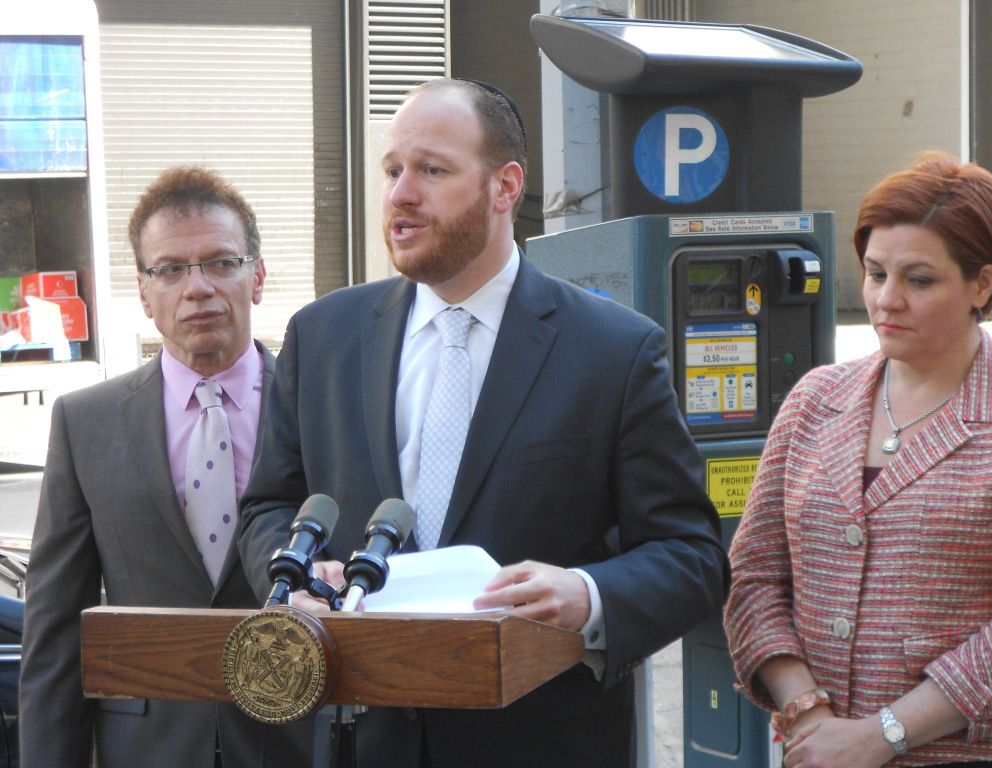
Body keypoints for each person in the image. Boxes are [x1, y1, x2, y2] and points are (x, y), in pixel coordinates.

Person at [238, 78, 728, 768]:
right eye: (392, 170)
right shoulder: (323, 336)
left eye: (431, 170)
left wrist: (586, 594)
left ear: (505, 187)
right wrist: (290, 581)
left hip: (541, 741)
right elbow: (268, 505)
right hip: (360, 737)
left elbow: (691, 557)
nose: (401, 194)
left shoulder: (614, 350)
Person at [724, 151, 992, 767]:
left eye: (918, 279)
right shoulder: (816, 400)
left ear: (983, 285)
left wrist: (879, 735)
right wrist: (808, 711)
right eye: (874, 272)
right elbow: (753, 575)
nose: (886, 300)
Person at [19, 167, 314, 767]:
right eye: (171, 269)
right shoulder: (87, 423)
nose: (198, 287)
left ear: (257, 278)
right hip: (147, 747)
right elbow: (54, 632)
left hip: (298, 740)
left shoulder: (322, 409)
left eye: (221, 263)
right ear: (144, 291)